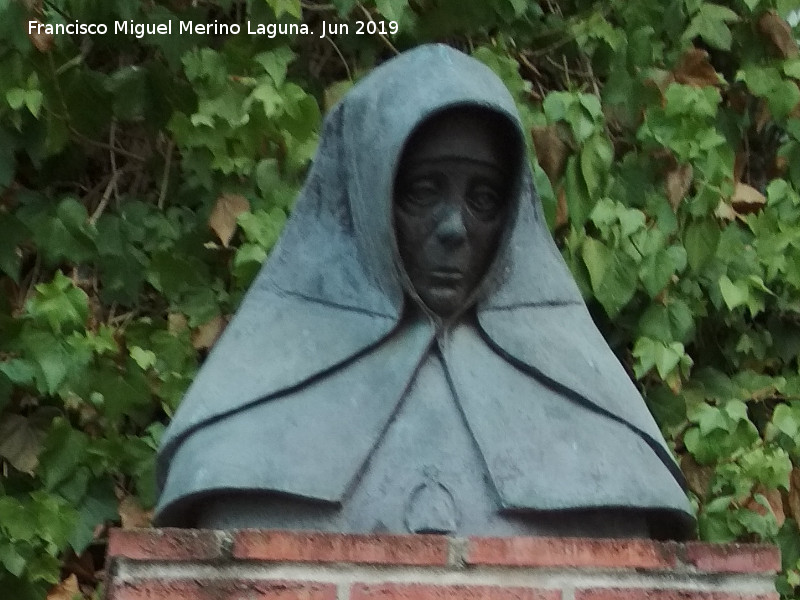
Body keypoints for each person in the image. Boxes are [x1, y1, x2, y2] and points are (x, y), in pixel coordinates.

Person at [154, 44, 695, 539]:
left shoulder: (602, 431)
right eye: (422, 190)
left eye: (483, 199)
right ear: (367, 197)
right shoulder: (240, 432)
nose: (454, 228)